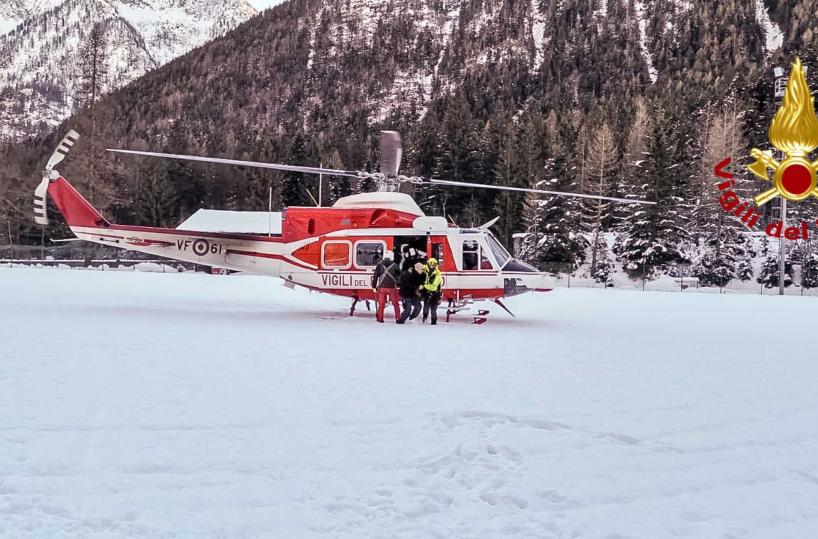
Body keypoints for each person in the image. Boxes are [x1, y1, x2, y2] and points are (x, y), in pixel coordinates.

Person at [371, 251, 401, 323]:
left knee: (381, 304)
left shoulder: (379, 265)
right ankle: (398, 318)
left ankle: (380, 319)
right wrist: (399, 285)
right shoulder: (395, 265)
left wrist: (374, 287)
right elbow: (399, 277)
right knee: (395, 304)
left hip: (382, 288)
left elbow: (375, 277)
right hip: (392, 288)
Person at [421, 257, 443, 325]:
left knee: (433, 311)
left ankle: (433, 323)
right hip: (427, 294)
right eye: (430, 263)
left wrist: (423, 286)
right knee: (425, 309)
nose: (431, 265)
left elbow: (434, 287)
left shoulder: (438, 275)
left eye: (433, 264)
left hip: (435, 294)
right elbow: (419, 267)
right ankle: (424, 319)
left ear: (436, 265)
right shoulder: (425, 270)